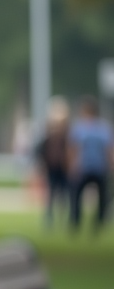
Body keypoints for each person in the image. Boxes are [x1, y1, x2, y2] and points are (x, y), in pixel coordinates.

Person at [68, 95, 112, 233]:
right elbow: (109, 150)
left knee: (79, 196)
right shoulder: (102, 127)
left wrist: (72, 165)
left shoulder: (80, 127)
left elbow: (73, 149)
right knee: (99, 196)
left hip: (89, 167)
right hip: (95, 167)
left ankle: (78, 221)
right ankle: (94, 221)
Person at [35, 97, 71, 228]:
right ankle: (49, 218)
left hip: (64, 167)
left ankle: (65, 219)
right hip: (52, 167)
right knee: (51, 193)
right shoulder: (47, 136)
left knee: (64, 194)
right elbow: (41, 151)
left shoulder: (67, 135)